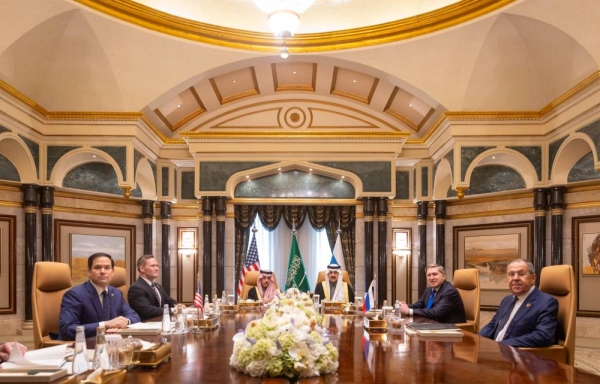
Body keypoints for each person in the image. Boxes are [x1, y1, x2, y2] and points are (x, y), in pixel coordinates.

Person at [58, 253, 140, 340]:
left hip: (113, 343)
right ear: (89, 272)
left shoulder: (116, 293)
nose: (102, 271)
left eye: (107, 268)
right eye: (97, 267)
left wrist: (124, 322)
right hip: (85, 345)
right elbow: (67, 330)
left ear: (112, 272)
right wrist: (105, 325)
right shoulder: (75, 294)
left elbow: (134, 316)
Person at [479, 259, 559, 347]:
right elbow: (493, 325)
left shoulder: (546, 302)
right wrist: (478, 340)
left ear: (533, 278)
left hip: (517, 355)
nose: (515, 278)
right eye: (511, 274)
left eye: (521, 274)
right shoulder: (507, 300)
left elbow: (543, 336)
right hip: (493, 350)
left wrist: (500, 345)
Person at [399, 264, 466, 323]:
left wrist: (409, 311)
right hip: (431, 324)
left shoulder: (450, 291)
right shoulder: (429, 290)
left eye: (434, 274)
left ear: (444, 276)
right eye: (429, 275)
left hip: (449, 329)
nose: (431, 278)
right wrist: (401, 307)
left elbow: (435, 312)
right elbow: (418, 305)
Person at [128, 254, 182, 321]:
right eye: (152, 266)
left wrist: (177, 305)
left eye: (157, 266)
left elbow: (168, 300)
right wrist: (172, 310)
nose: (156, 269)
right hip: (145, 325)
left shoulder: (158, 286)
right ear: (142, 269)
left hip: (161, 323)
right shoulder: (136, 288)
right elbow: (148, 310)